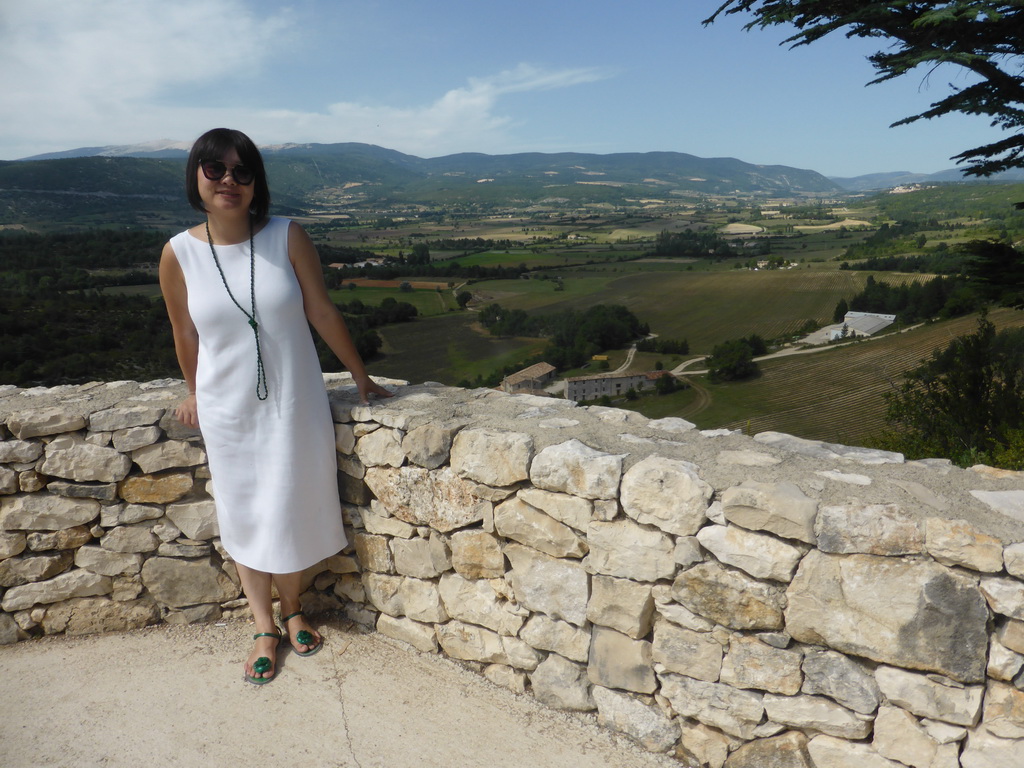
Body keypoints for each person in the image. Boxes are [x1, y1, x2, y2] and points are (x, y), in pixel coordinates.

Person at [159, 128, 392, 684]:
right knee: (244, 511)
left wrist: (361, 377)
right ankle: (263, 623)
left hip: (293, 402)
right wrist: (194, 391)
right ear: (196, 177)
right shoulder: (179, 253)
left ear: (256, 181)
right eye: (215, 170)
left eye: (243, 171)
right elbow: (184, 334)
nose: (229, 181)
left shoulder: (288, 235)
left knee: (289, 505)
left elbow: (322, 311)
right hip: (227, 409)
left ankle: (293, 608)